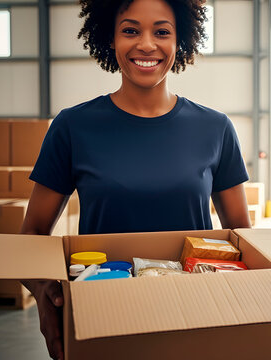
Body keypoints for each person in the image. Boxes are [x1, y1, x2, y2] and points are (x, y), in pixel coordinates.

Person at [20, 1, 250, 358]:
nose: (146, 44)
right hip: (101, 317)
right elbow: (32, 233)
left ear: (180, 40)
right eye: (130, 30)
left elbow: (241, 237)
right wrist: (45, 297)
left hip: (195, 318)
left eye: (162, 32)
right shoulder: (72, 127)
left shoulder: (215, 128)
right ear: (110, 39)